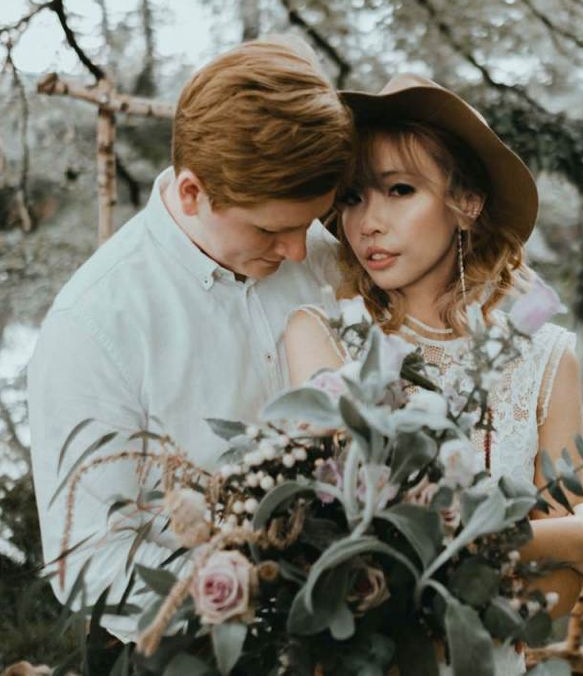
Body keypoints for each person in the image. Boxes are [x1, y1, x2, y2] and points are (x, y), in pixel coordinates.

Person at [283, 74, 583, 672]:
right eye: (354, 197)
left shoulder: (546, 358)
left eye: (400, 190)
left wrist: (547, 558)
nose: (368, 223)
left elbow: (561, 595)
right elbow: (358, 555)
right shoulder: (321, 335)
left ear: (467, 203)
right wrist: (569, 539)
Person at [27, 36, 352, 642]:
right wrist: (268, 597)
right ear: (191, 193)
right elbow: (88, 566)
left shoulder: (325, 260)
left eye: (309, 224)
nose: (299, 251)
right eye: (271, 230)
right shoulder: (94, 328)